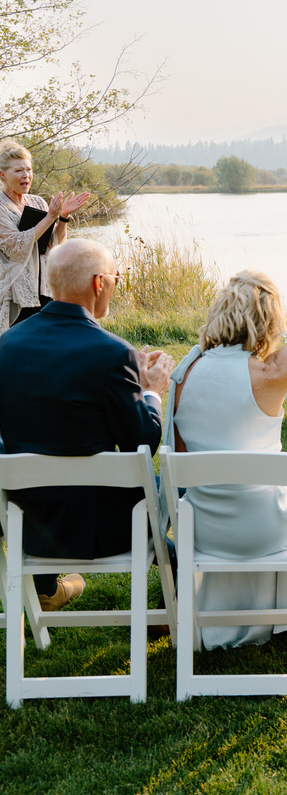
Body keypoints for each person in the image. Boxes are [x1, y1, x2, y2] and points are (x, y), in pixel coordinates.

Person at [166, 230, 287, 648]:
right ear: (270, 318)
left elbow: (181, 458)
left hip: (207, 530)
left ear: (219, 311)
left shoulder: (182, 377)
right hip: (269, 530)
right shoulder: (270, 374)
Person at [0, 238, 173, 611]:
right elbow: (141, 442)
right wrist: (149, 391)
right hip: (104, 529)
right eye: (115, 278)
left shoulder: (6, 345)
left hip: (27, 523)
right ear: (99, 283)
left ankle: (45, 589)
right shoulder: (112, 352)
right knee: (178, 489)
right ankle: (180, 574)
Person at [0, 139, 91, 333]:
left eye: (29, 170)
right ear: (2, 175)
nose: (26, 175)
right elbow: (15, 246)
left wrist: (63, 217)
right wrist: (50, 217)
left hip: (43, 290)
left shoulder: (38, 202)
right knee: (13, 349)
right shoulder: (1, 207)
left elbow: (55, 245)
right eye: (18, 171)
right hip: (14, 295)